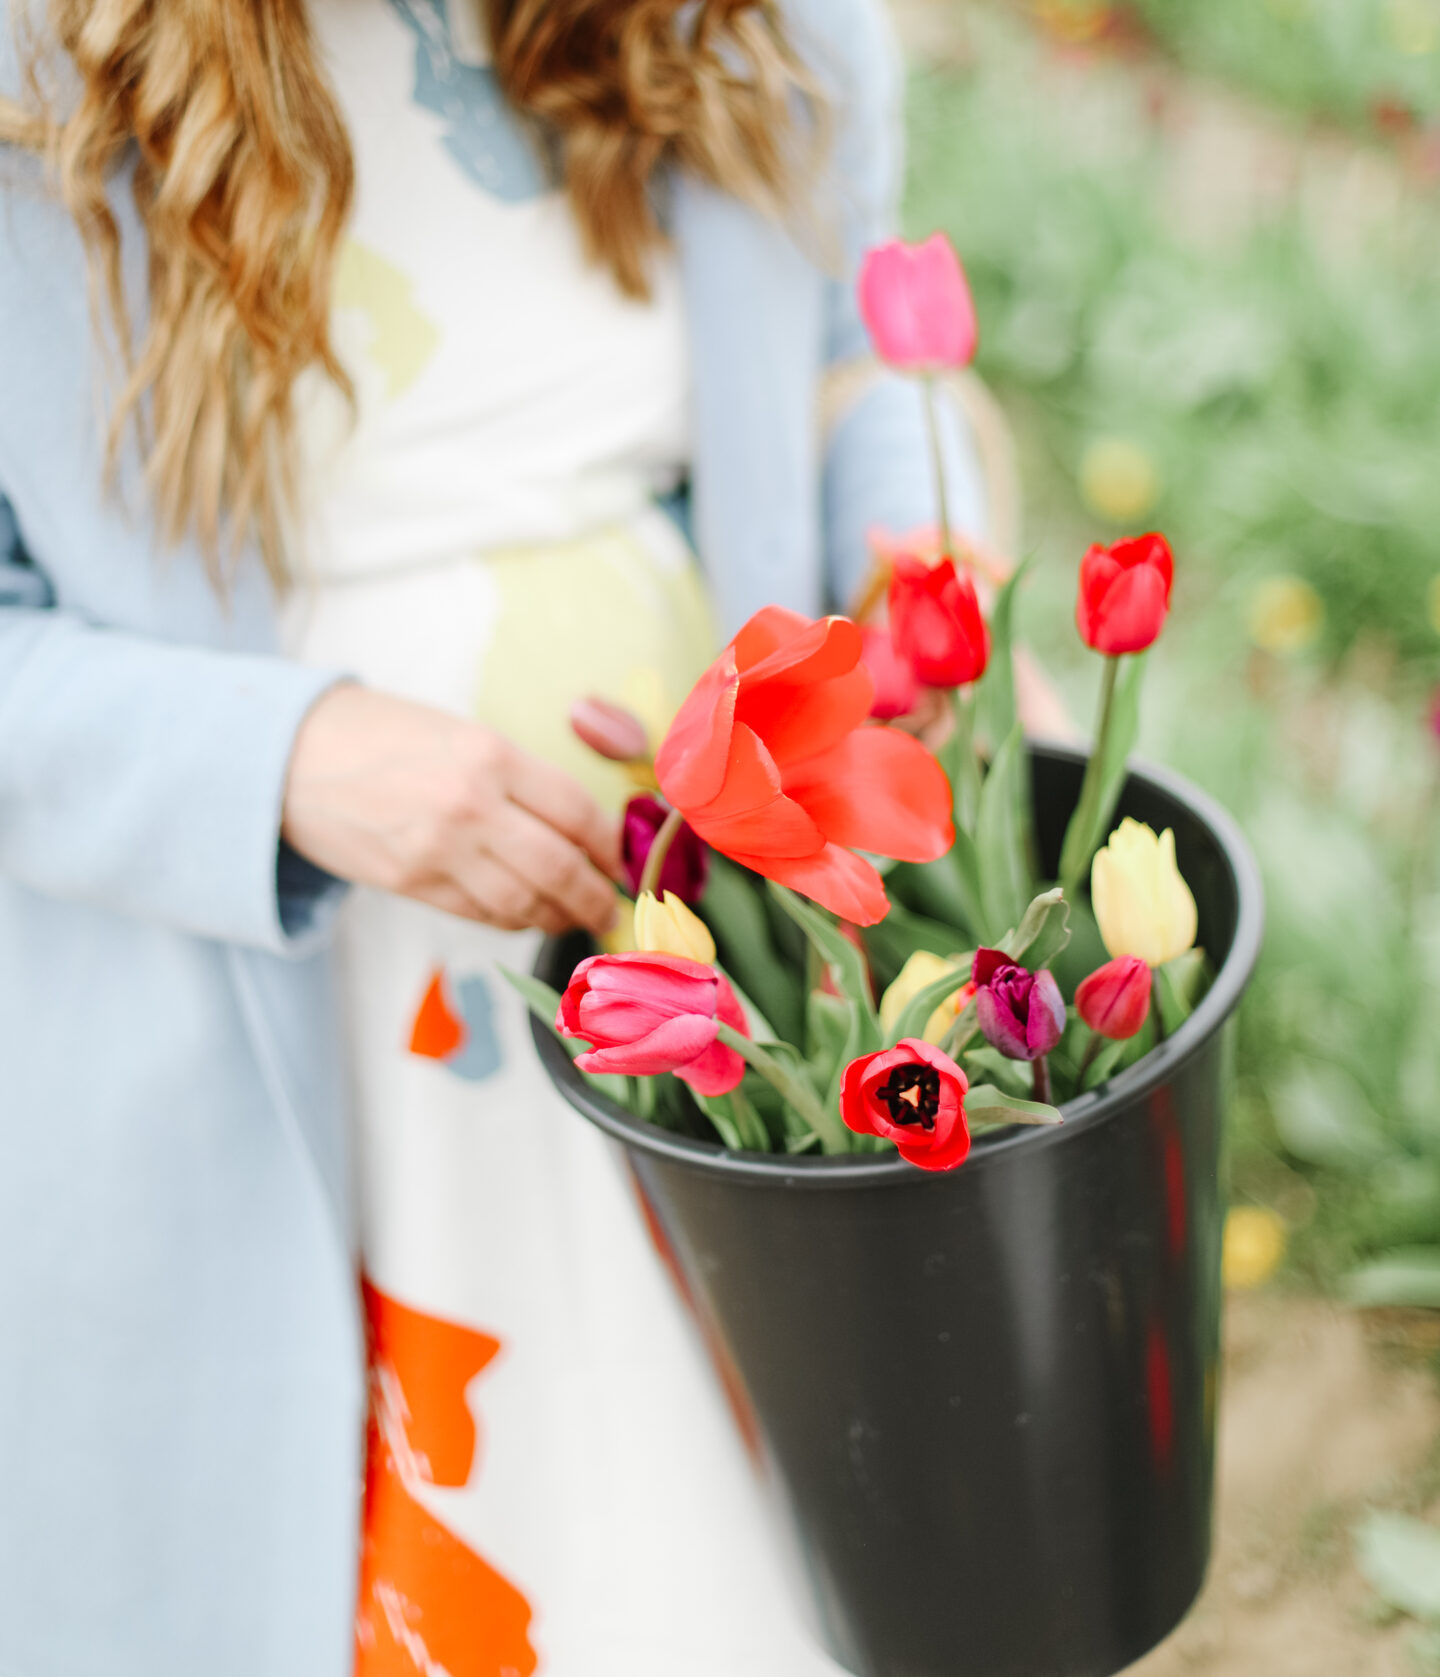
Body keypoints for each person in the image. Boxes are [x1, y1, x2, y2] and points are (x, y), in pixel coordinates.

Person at [0, 0, 989, 1673]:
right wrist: (284, 761)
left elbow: (852, 353)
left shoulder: (763, 25)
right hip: (283, 1067)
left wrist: (924, 551)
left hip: (713, 1026)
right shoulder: (40, 84)